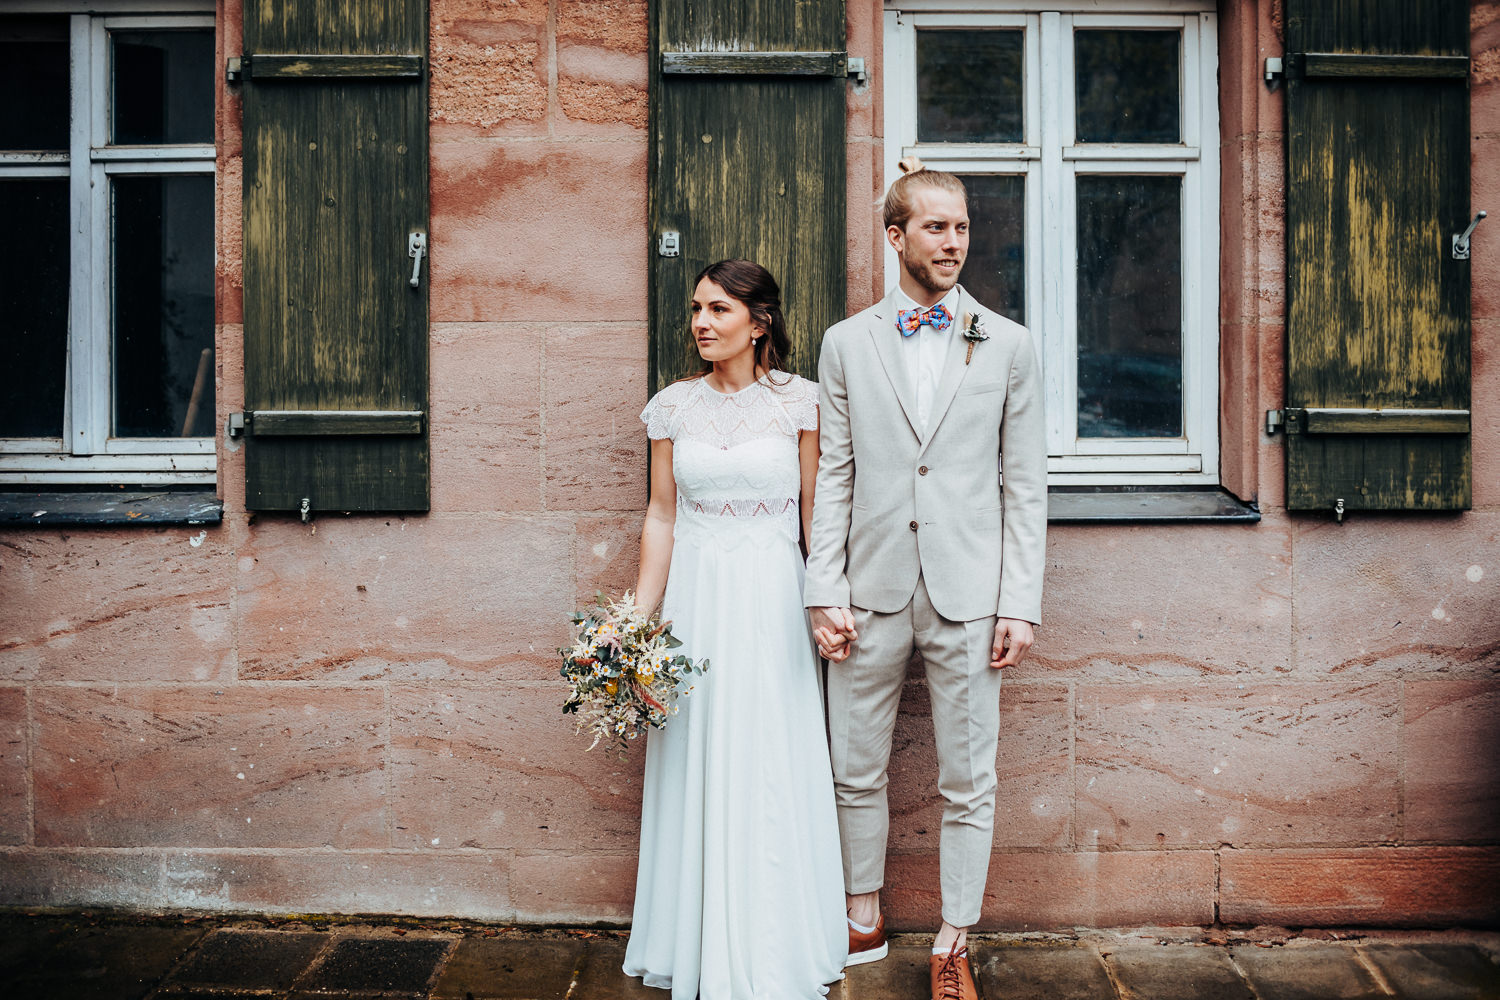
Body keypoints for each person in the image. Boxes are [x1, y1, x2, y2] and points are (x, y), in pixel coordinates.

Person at [804, 158, 1048, 1000]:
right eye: (936, 227)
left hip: (971, 597)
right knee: (852, 768)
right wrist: (823, 590)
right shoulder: (846, 342)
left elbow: (1026, 484)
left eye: (963, 227)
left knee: (969, 780)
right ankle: (861, 915)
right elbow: (834, 475)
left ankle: (953, 941)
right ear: (895, 235)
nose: (953, 242)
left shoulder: (1008, 344)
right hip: (867, 592)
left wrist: (1019, 602)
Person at [623, 259, 848, 998]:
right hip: (696, 600)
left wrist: (827, 601)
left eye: (718, 309)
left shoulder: (800, 404)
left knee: (769, 755)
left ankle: (772, 942)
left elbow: (815, 515)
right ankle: (695, 940)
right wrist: (636, 623)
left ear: (760, 323)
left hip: (771, 598)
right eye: (697, 308)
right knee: (696, 751)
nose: (701, 322)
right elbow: (662, 515)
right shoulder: (671, 408)